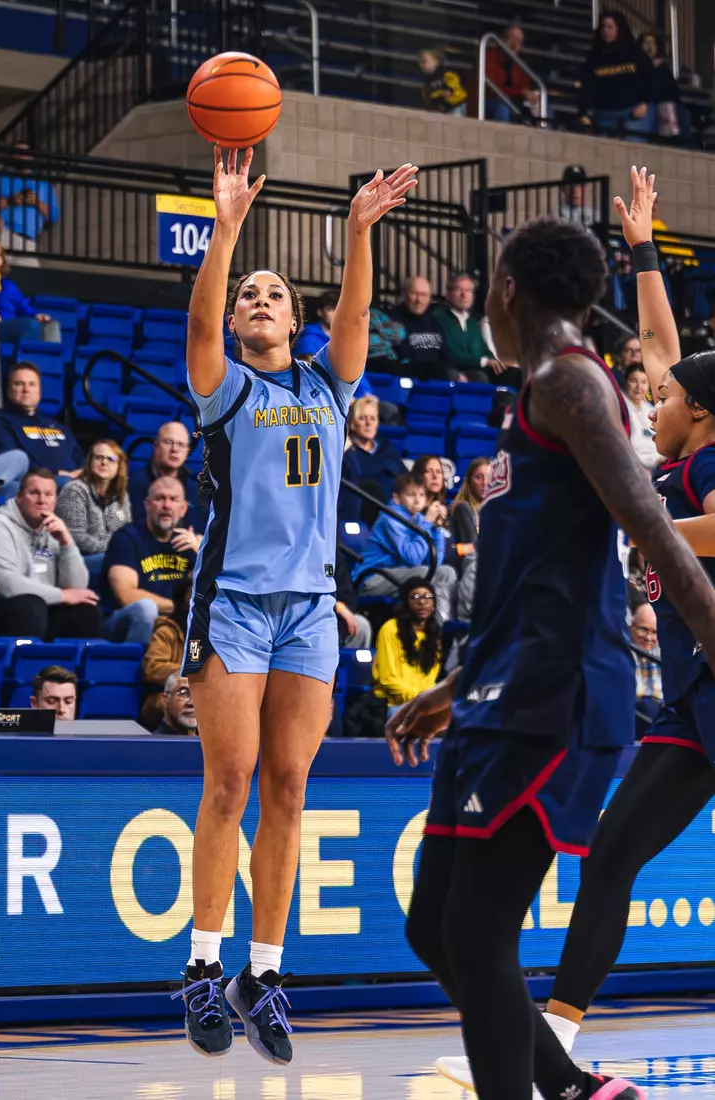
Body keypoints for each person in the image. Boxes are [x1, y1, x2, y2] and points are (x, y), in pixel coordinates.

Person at [391, 202, 715, 1100]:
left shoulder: (571, 383)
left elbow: (651, 530)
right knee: (435, 928)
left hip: (556, 691)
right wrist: (456, 685)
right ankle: (571, 1086)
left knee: (476, 934)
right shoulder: (545, 387)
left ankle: (561, 1084)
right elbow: (544, 569)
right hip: (501, 683)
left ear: (504, 291)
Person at [173, 145, 416, 1062]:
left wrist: (357, 233)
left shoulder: (325, 383)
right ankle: (202, 968)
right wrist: (226, 231)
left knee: (288, 787)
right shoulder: (224, 387)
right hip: (234, 602)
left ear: (295, 318)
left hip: (310, 609)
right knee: (228, 782)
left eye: (274, 293)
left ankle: (263, 975)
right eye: (249, 295)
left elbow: (353, 313)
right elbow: (200, 321)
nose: (258, 300)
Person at [0, 468, 103, 641]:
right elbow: (7, 585)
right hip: (0, 610)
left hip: (42, 609)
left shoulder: (54, 530)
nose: (42, 500)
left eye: (48, 494)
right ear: (19, 497)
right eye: (34, 493)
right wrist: (62, 596)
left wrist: (67, 544)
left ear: (55, 501)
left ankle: (71, 659)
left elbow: (76, 587)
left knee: (86, 610)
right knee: (31, 606)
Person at [102, 476, 197, 644]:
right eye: (160, 498)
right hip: (125, 622)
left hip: (175, 624)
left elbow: (211, 592)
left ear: (183, 509)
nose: (166, 505)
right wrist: (180, 608)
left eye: (173, 499)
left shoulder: (190, 543)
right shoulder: (127, 538)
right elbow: (126, 596)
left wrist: (200, 553)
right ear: (147, 504)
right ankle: (138, 660)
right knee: (146, 608)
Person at [354, 471, 456, 621]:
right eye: (411, 495)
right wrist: (428, 523)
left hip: (397, 574)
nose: (417, 500)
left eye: (421, 495)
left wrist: (436, 529)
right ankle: (441, 628)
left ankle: (445, 626)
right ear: (396, 498)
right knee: (431, 574)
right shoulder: (390, 518)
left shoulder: (419, 519)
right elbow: (412, 557)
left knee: (447, 572)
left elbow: (435, 562)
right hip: (372, 578)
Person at [0, 364, 85, 483]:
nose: (26, 390)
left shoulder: (56, 426)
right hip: (35, 484)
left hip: (72, 481)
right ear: (8, 389)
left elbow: (79, 457)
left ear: (39, 390)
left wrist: (82, 472)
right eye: (19, 384)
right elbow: (14, 464)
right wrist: (55, 473)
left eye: (32, 384)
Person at [56, 439, 131, 570]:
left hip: (112, 554)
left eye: (111, 459)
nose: (104, 462)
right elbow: (76, 538)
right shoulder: (74, 490)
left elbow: (126, 532)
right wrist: (115, 547)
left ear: (119, 466)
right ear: (90, 461)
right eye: (99, 457)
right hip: (78, 559)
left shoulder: (122, 495)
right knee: (121, 561)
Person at [0, 237, 60, 344]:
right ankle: (23, 354)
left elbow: (24, 308)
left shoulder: (8, 285)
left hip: (11, 326)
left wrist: (36, 315)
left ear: (1, 259)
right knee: (29, 325)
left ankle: (47, 355)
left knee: (51, 325)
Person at [372, 577, 442, 715]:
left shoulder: (434, 633)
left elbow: (431, 679)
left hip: (423, 703)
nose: (422, 602)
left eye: (428, 597)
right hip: (395, 703)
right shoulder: (391, 629)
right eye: (415, 597)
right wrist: (418, 699)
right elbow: (387, 678)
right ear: (405, 602)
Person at [580, 11, 653, 142]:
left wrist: (645, 102)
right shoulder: (595, 56)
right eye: (603, 27)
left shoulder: (634, 52)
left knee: (634, 147)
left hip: (633, 111)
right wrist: (584, 112)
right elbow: (587, 85)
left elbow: (650, 78)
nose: (606, 31)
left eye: (610, 27)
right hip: (605, 113)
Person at [0, 141, 59, 265]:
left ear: (31, 157)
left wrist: (37, 202)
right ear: (10, 156)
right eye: (16, 152)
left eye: (24, 153)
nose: (20, 156)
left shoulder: (43, 183)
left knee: (29, 274)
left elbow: (53, 216)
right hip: (2, 233)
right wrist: (11, 200)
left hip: (28, 240)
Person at [339, 394, 405, 523]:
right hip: (358, 517)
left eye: (373, 418)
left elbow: (404, 479)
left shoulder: (386, 448)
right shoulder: (345, 452)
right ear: (352, 422)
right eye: (362, 418)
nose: (368, 423)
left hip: (392, 515)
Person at [128, 420, 202, 528]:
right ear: (156, 446)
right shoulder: (136, 484)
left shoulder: (194, 486)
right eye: (168, 442)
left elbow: (199, 526)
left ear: (187, 452)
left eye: (181, 444)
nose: (174, 449)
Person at [141, 576, 192, 728]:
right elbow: (152, 668)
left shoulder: (214, 633)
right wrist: (192, 671)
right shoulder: (167, 631)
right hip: (164, 695)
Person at [429, 274, 497, 383]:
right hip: (455, 369)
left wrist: (494, 360)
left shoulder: (471, 321)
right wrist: (483, 361)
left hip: (477, 367)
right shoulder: (439, 318)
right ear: (448, 294)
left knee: (512, 372)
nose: (464, 295)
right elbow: (451, 354)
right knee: (480, 377)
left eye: (468, 291)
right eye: (458, 290)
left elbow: (483, 349)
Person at [387, 277, 452, 381]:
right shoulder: (391, 321)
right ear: (404, 295)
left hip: (438, 381)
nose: (419, 300)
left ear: (430, 298)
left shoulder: (435, 322)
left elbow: (446, 355)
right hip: (408, 380)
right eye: (414, 294)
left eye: (424, 295)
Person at [485, 24, 544, 124]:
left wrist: (532, 97)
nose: (514, 45)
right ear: (503, 40)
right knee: (503, 108)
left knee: (546, 109)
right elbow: (492, 88)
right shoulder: (489, 57)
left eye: (519, 42)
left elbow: (525, 88)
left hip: (514, 103)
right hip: (490, 101)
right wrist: (520, 91)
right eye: (512, 39)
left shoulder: (521, 64)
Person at [640, 32, 681, 139]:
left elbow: (670, 90)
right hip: (646, 104)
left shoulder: (662, 68)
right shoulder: (638, 66)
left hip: (663, 105)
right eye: (646, 43)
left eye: (652, 43)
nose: (649, 47)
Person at [630, 601, 662, 736]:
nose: (649, 638)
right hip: (633, 716)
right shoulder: (622, 653)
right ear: (632, 626)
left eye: (654, 632)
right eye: (643, 629)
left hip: (659, 715)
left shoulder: (664, 654)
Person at [623, 361, 659, 468]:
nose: (639, 387)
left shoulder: (651, 410)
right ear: (625, 382)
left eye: (643, 382)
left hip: (657, 462)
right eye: (633, 381)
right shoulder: (621, 408)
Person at [449, 457, 490, 549]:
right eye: (479, 477)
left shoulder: (495, 511)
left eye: (490, 477)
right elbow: (473, 549)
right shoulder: (462, 508)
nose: (485, 483)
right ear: (469, 481)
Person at [418, 48, 467, 115]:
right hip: (443, 109)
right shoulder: (427, 82)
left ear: (436, 61)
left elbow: (453, 83)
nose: (421, 65)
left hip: (455, 105)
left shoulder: (445, 73)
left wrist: (450, 90)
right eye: (420, 62)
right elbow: (427, 98)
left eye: (424, 61)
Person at [294, 290, 338, 359]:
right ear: (320, 312)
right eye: (330, 309)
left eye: (339, 309)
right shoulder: (308, 339)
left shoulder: (347, 336)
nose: (336, 314)